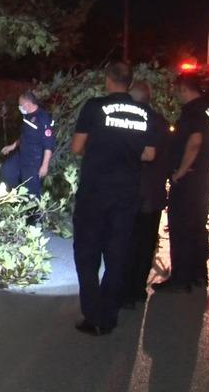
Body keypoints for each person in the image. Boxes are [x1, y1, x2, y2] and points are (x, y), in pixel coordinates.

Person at [70, 62, 156, 336]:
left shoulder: (94, 107)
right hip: (127, 194)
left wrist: (100, 153)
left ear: (108, 80)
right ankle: (107, 316)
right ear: (130, 84)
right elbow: (150, 154)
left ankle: (91, 313)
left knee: (87, 252)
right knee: (117, 255)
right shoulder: (145, 113)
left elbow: (76, 147)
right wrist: (126, 155)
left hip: (95, 192)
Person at [153, 73, 209, 293]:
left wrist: (179, 173)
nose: (175, 95)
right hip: (203, 178)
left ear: (184, 89)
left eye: (177, 90)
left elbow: (195, 141)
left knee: (181, 228)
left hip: (189, 180)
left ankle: (181, 278)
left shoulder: (192, 111)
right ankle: (198, 273)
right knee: (197, 227)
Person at [121, 81, 170, 309]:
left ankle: (126, 291)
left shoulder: (129, 119)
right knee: (146, 242)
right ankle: (138, 290)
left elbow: (144, 154)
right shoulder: (161, 122)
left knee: (128, 242)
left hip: (132, 192)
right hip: (154, 193)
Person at [0, 90, 56, 198]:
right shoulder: (27, 116)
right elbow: (24, 136)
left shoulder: (43, 119)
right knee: (6, 172)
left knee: (31, 192)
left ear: (27, 104)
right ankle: (18, 198)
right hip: (22, 154)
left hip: (34, 161)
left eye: (20, 105)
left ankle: (35, 212)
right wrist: (12, 146)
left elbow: (49, 145)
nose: (19, 107)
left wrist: (44, 166)